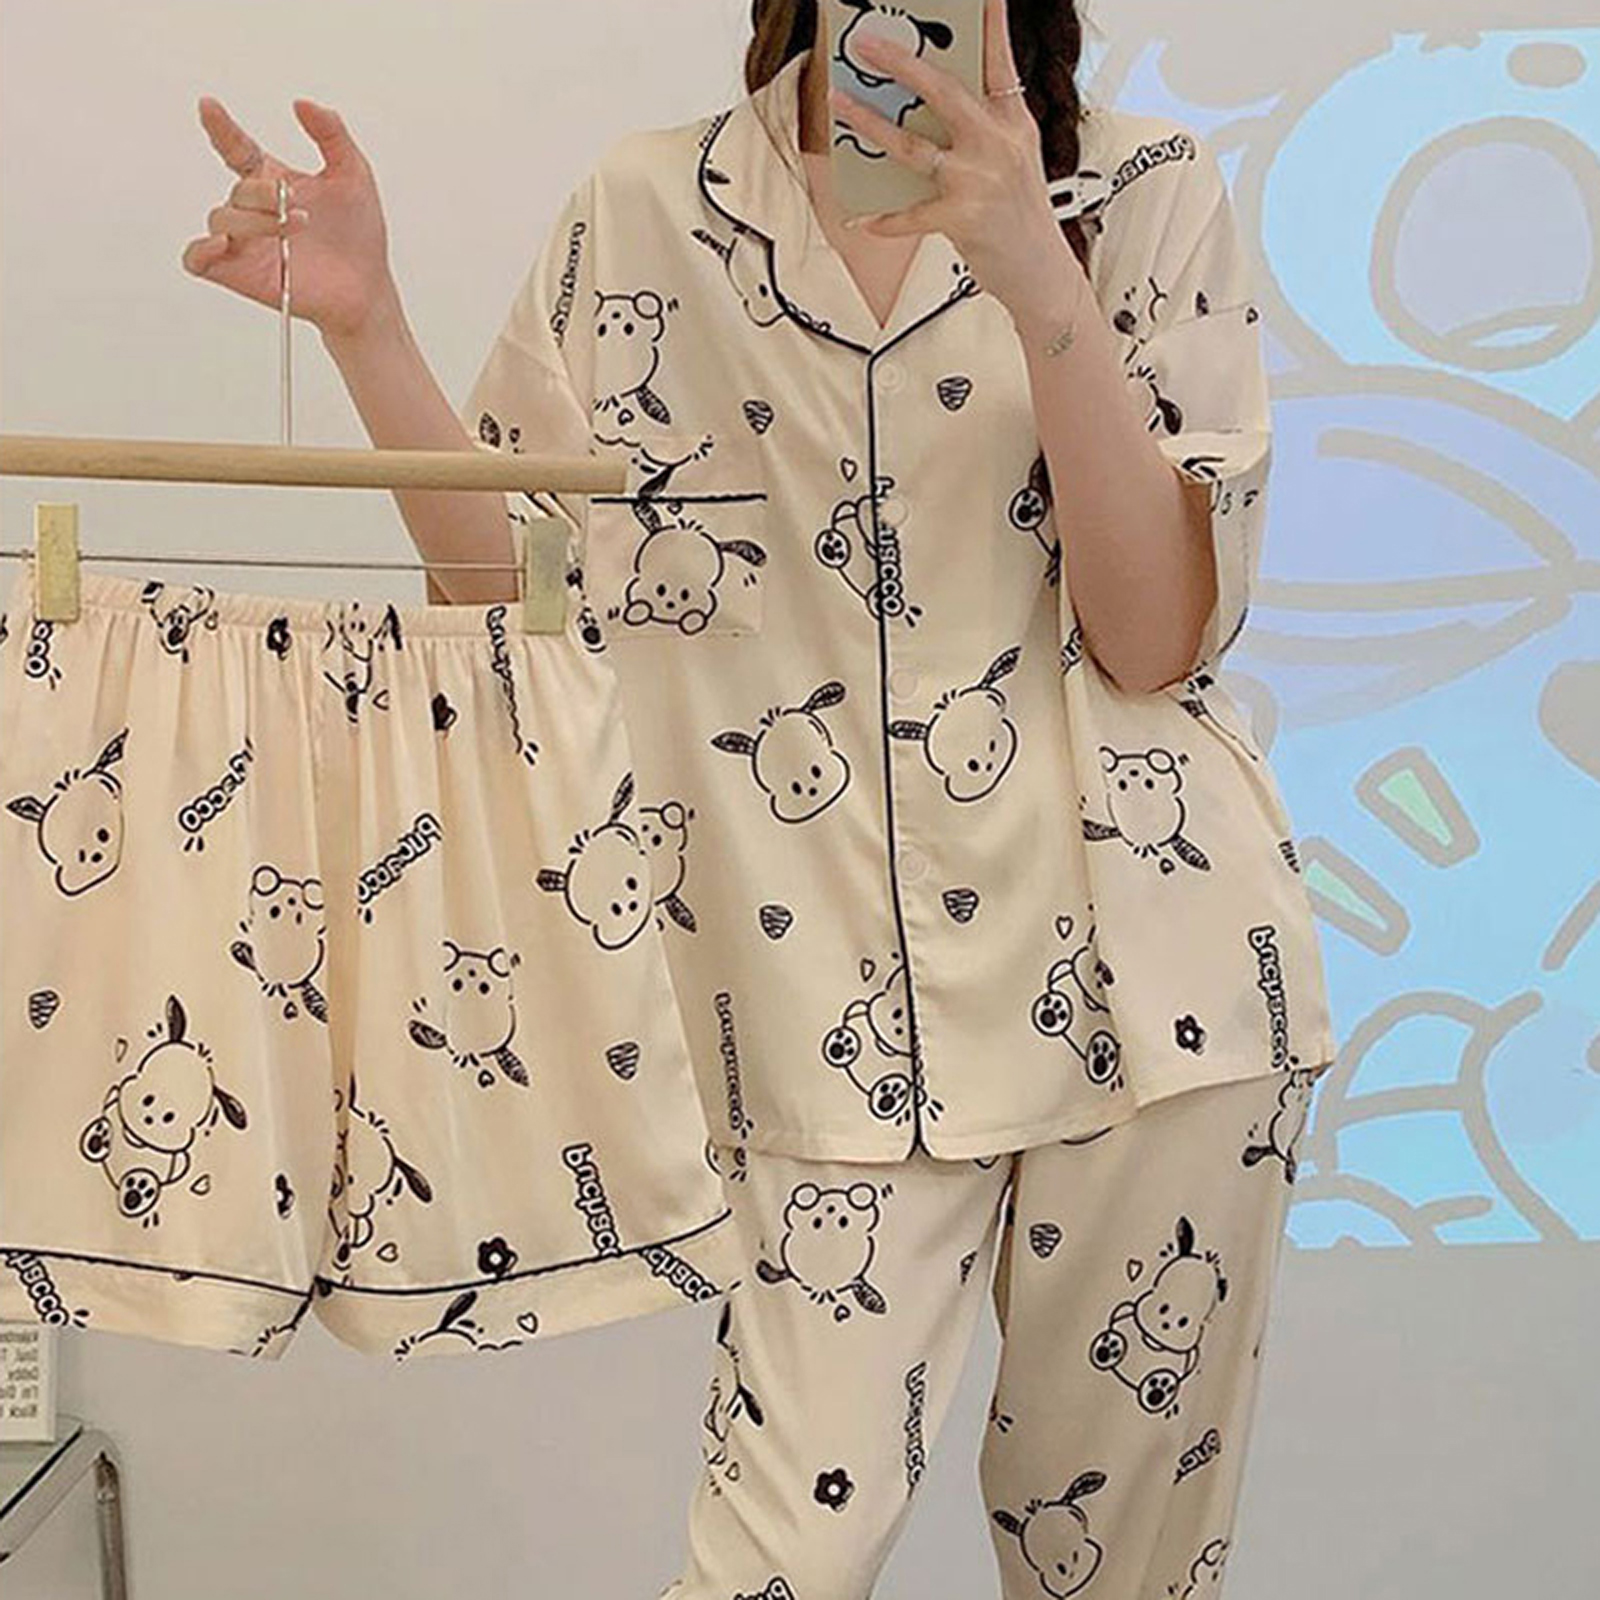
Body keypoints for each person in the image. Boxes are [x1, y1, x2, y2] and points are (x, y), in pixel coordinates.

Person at [184, 1, 1337, 1593]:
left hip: (1156, 1003)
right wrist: (367, 327)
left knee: (1118, 1579)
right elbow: (519, 616)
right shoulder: (649, 208)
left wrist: (1036, 273)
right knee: (779, 1559)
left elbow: (1153, 640)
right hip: (814, 1019)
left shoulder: (1142, 191)